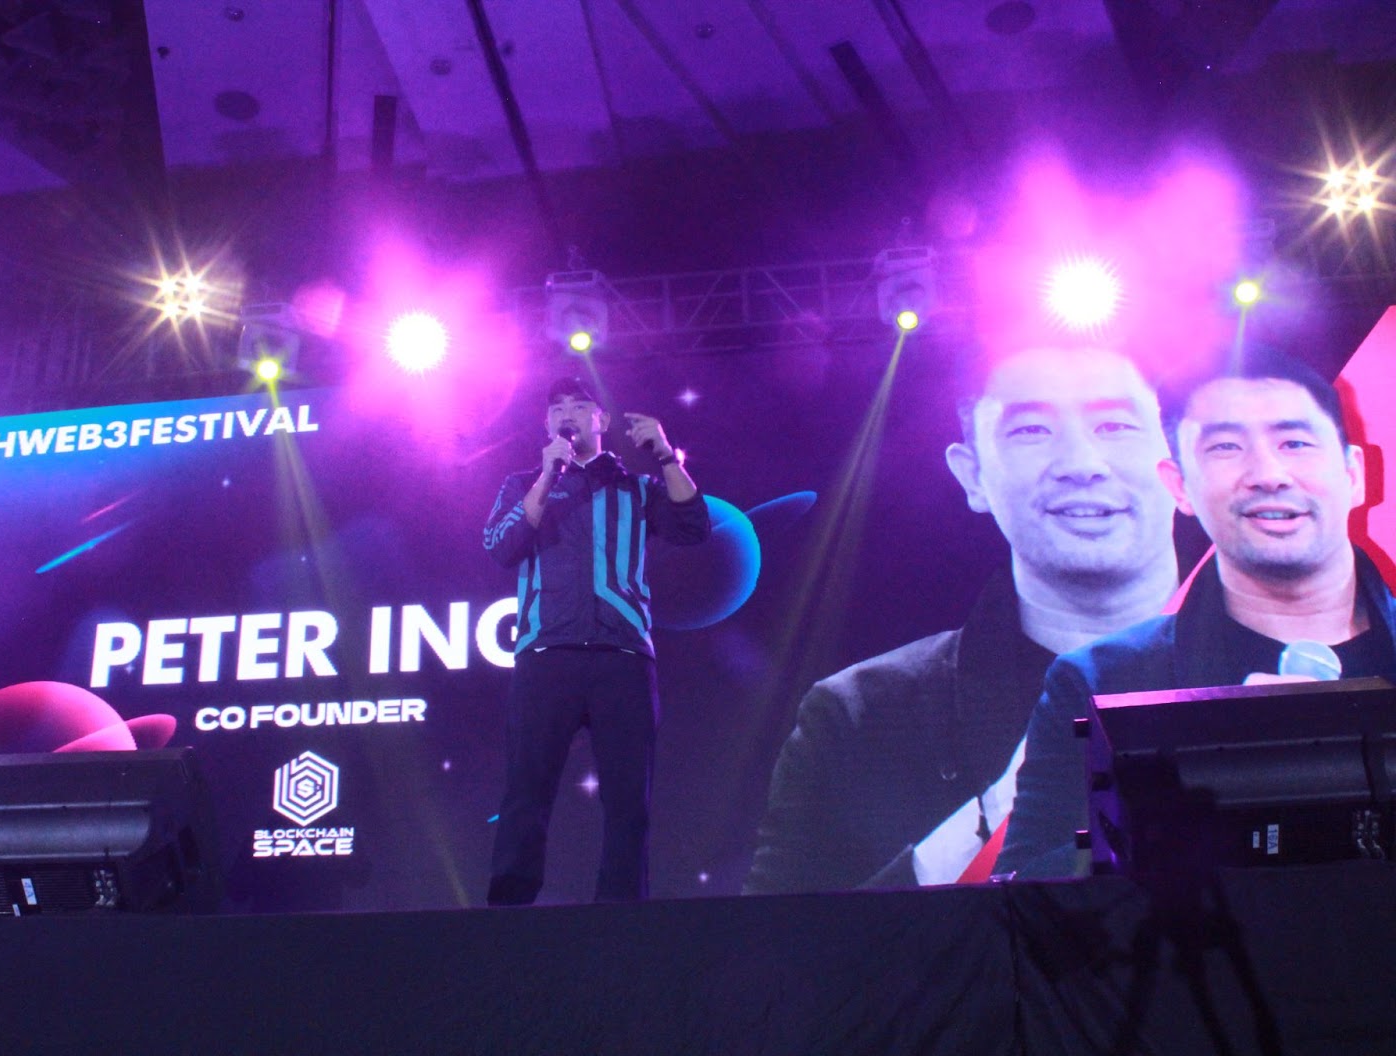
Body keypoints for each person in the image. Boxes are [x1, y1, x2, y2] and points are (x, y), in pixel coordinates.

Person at [744, 345, 1181, 893]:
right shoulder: (860, 715)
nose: (1081, 464)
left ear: (1180, 462)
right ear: (972, 476)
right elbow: (778, 940)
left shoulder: (1280, 665)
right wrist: (991, 819)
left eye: (1114, 426)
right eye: (1031, 431)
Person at [997, 350, 1396, 878]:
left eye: (1294, 443)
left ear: (1354, 474)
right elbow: (1017, 901)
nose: (1268, 474)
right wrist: (1201, 799)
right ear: (1179, 486)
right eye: (1226, 447)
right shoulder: (1099, 681)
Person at [483, 376, 709, 904]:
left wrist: (667, 457)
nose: (568, 414)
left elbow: (694, 527)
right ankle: (508, 910)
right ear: (546, 424)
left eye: (580, 405)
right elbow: (501, 546)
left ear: (601, 420)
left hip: (622, 656)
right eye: (557, 407)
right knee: (527, 788)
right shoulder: (523, 483)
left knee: (628, 797)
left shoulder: (636, 487)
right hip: (547, 653)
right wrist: (548, 476)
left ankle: (621, 912)